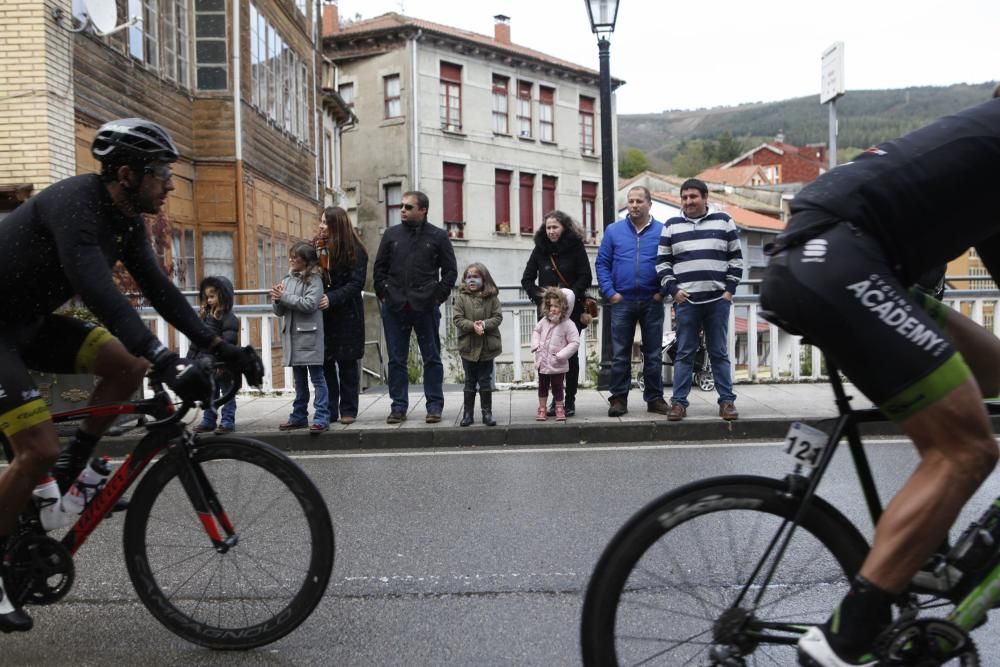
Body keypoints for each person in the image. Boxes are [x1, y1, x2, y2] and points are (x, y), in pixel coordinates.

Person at [759, 98, 1000, 667]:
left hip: (838, 260)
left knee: (994, 371)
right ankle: (844, 640)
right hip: (835, 259)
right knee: (965, 449)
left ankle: (923, 550)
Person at [0, 118, 262, 631]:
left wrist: (219, 346)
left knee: (128, 366)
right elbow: (101, 294)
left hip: (26, 324)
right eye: (162, 172)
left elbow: (161, 291)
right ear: (126, 173)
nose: (169, 183)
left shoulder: (125, 222)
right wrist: (170, 361)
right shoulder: (75, 205)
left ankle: (71, 481)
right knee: (38, 450)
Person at [656, 178, 743, 422]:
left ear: (705, 197)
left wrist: (728, 293)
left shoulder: (724, 221)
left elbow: (736, 259)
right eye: (684, 197)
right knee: (684, 353)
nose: (688, 201)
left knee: (719, 352)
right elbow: (662, 263)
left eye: (693, 196)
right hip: (686, 302)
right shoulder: (671, 226)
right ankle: (679, 404)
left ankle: (726, 402)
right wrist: (674, 291)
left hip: (717, 301)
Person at [372, 191, 457, 424]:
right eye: (402, 206)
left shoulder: (438, 236)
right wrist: (384, 294)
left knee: (432, 357)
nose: (402, 210)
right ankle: (398, 406)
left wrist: (437, 296)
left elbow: (450, 271)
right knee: (396, 360)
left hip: (426, 306)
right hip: (395, 306)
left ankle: (434, 406)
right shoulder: (391, 235)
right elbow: (379, 270)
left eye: (409, 207)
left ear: (423, 210)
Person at [595, 186, 669, 417]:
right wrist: (610, 293)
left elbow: (671, 263)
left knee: (654, 354)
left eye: (639, 201)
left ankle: (655, 399)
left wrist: (661, 292)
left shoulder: (663, 231)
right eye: (630, 201)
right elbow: (602, 264)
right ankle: (618, 399)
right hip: (622, 301)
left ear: (649, 204)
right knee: (620, 354)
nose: (634, 205)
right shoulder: (614, 231)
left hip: (652, 300)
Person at [521, 210, 593, 417]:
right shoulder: (540, 249)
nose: (551, 231)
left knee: (569, 357)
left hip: (570, 312)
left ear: (564, 228)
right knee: (548, 356)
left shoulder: (576, 247)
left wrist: (568, 298)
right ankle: (550, 401)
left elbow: (585, 277)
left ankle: (567, 400)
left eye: (555, 227)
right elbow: (527, 280)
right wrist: (543, 299)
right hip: (547, 314)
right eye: (548, 227)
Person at [315, 207, 367, 425]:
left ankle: (348, 409)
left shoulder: (355, 250)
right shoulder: (317, 247)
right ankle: (329, 409)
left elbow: (356, 284)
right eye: (321, 222)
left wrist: (332, 298)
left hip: (347, 314)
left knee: (347, 364)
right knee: (326, 363)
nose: (321, 226)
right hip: (323, 316)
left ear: (337, 225)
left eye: (326, 223)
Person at [273, 242, 330, 434]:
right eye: (290, 256)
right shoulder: (287, 279)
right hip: (293, 337)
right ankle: (299, 416)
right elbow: (280, 311)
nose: (290, 260)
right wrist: (276, 299)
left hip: (309, 338)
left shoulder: (314, 280)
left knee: (317, 378)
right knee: (299, 381)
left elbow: (309, 304)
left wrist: (284, 297)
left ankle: (322, 417)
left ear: (305, 261)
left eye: (294, 257)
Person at [453, 263, 503, 427]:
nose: (472, 280)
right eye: (469, 277)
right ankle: (468, 414)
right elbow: (458, 319)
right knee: (469, 380)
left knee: (485, 380)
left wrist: (485, 324)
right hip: (468, 346)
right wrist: (472, 326)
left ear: (484, 279)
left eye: (476, 277)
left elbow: (497, 317)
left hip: (487, 346)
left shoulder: (492, 298)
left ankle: (486, 413)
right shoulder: (461, 298)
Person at [189, 276, 240, 434]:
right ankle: (208, 420)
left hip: (223, 365)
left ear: (224, 297)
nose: (209, 300)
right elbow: (197, 341)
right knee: (209, 393)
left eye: (212, 296)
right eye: (207, 297)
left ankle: (227, 421)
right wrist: (190, 359)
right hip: (206, 363)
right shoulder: (204, 317)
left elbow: (228, 342)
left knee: (227, 394)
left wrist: (222, 363)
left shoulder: (229, 319)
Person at [530, 287, 580, 422]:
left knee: (558, 387)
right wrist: (535, 345)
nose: (552, 308)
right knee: (542, 386)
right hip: (543, 360)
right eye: (550, 305)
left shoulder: (568, 325)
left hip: (557, 362)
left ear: (564, 307)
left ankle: (559, 407)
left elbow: (574, 342)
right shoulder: (545, 320)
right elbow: (536, 331)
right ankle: (542, 408)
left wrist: (561, 355)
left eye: (556, 306)